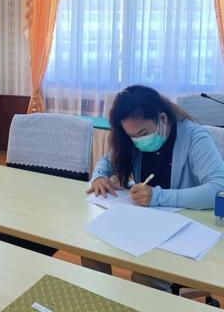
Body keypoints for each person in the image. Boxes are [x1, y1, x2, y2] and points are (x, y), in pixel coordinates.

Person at [84, 85, 224, 292]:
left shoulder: (194, 137)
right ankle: (103, 299)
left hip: (184, 225)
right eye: (132, 136)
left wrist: (158, 196)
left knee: (146, 274)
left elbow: (218, 188)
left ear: (162, 119)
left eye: (143, 133)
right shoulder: (132, 138)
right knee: (92, 250)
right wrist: (99, 177)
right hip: (145, 222)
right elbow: (107, 161)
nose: (138, 141)